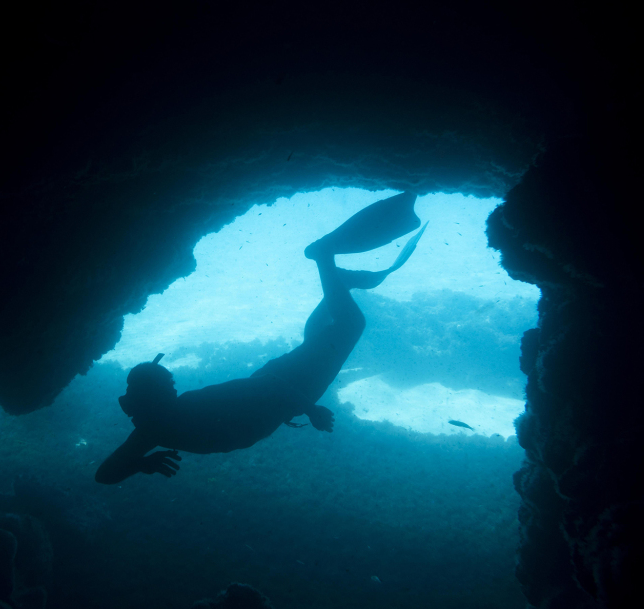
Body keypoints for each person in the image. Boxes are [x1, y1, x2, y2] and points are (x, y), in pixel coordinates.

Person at [95, 192, 428, 484]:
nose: (174, 388)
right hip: (289, 390)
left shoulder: (168, 420)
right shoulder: (158, 427)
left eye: (170, 383)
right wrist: (140, 465)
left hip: (291, 385)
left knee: (349, 325)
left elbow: (268, 385)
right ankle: (336, 278)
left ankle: (325, 259)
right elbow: (104, 475)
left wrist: (310, 409)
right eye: (168, 385)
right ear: (152, 396)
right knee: (323, 337)